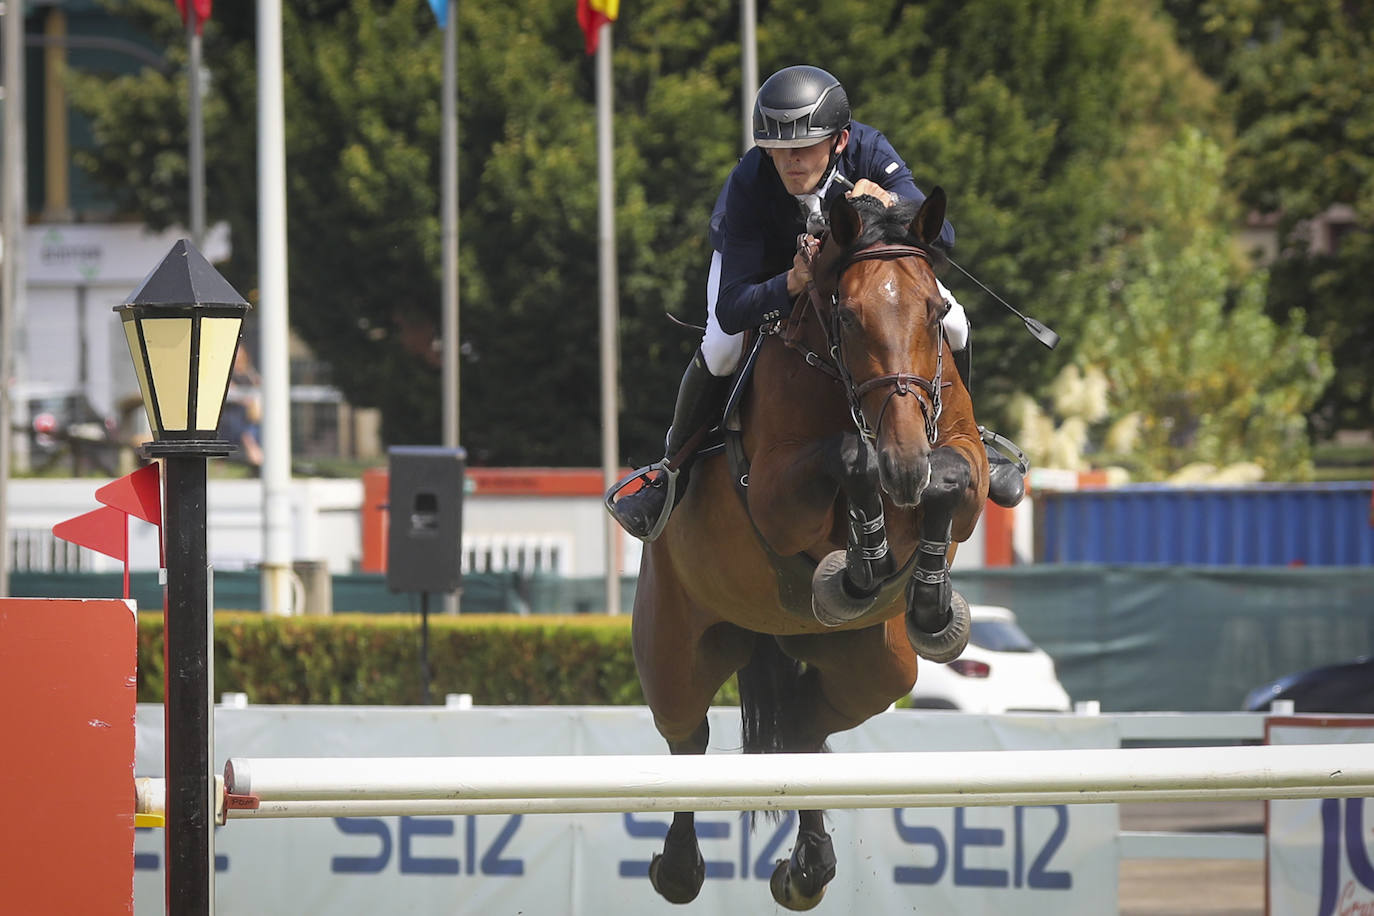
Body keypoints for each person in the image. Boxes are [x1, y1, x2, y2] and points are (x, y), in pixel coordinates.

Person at [608, 65, 1024, 542]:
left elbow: (941, 237)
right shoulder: (748, 184)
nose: (791, 162)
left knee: (956, 323)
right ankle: (672, 471)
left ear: (839, 141)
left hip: (858, 275)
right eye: (779, 150)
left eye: (803, 148)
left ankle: (967, 432)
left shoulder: (870, 150)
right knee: (722, 347)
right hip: (766, 269)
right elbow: (733, 307)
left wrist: (889, 199)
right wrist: (790, 282)